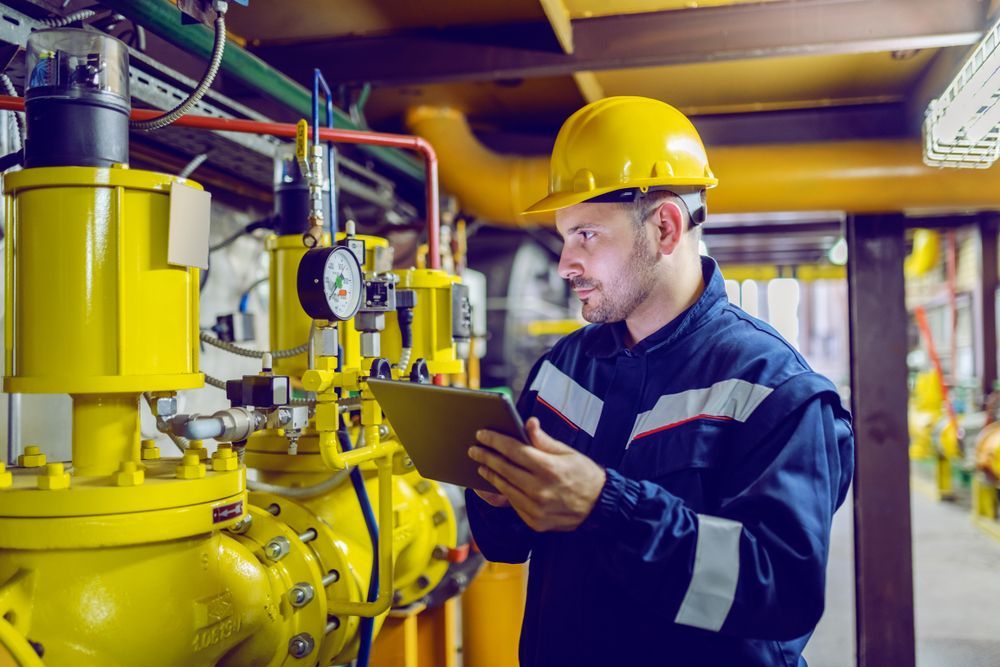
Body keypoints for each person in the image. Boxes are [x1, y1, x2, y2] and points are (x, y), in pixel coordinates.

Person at [464, 96, 854, 666]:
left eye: (587, 235)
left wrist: (606, 507)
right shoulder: (561, 369)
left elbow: (782, 592)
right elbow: (506, 545)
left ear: (666, 227)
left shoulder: (773, 388)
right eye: (564, 237)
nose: (565, 263)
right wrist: (495, 494)